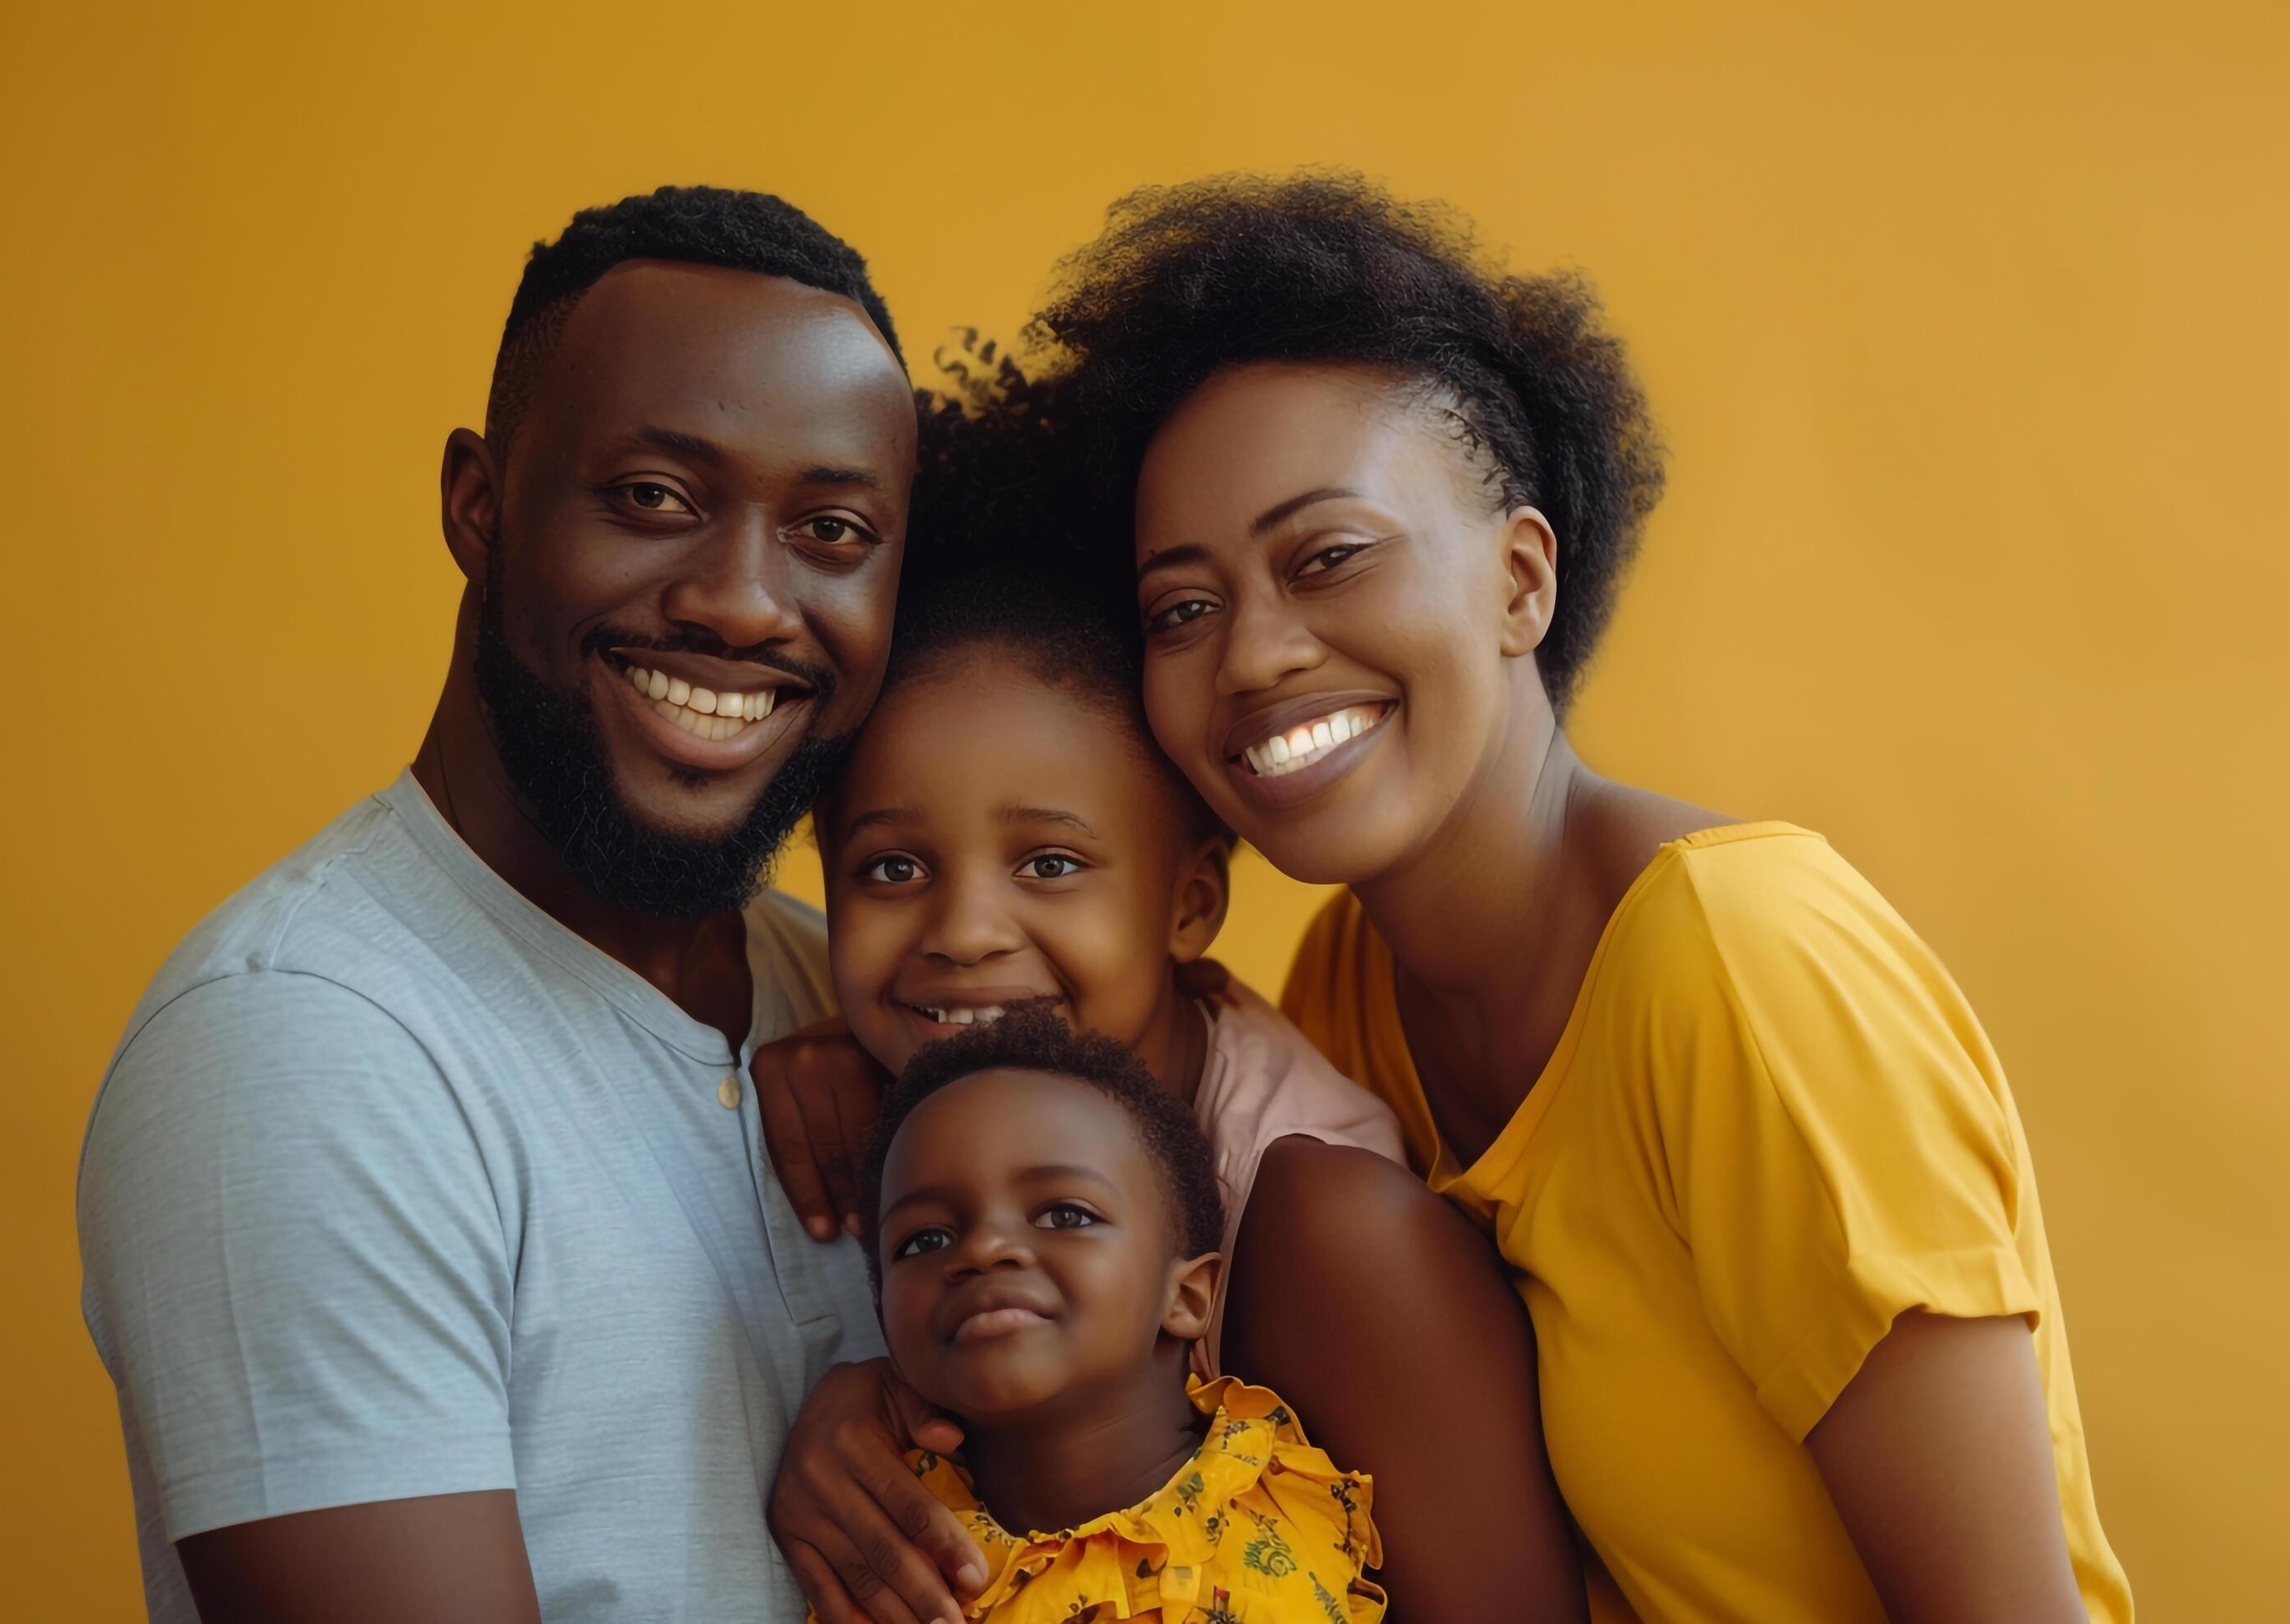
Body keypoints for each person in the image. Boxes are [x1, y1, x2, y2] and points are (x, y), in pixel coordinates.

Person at [1022, 171, 2134, 1622]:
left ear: (1521, 581)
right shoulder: (1351, 994)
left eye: (1329, 557)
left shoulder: (1738, 963)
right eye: (1185, 606)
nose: (1253, 655)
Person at [75, 186, 920, 1624]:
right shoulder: (302, 1046)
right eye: (655, 498)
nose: (741, 605)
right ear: (480, 505)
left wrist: (875, 1394)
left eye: (832, 529)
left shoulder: (871, 997)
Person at [758, 410, 1584, 1624]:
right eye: (889, 871)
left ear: (1190, 900)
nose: (964, 933)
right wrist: (870, 1392)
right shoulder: (874, 1092)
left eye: (1049, 864)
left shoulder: (1320, 1227)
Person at [827, 1005, 1388, 1623]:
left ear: (1189, 1297)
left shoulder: (1289, 1518)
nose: (983, 1250)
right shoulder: (884, 1558)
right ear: (885, 1322)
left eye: (1065, 1216)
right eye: (923, 1240)